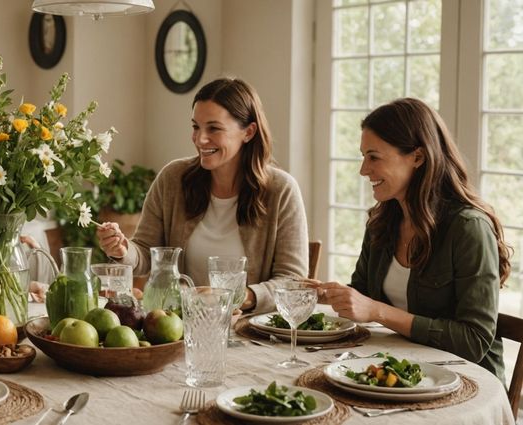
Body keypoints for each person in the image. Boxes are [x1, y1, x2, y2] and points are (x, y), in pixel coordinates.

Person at [314, 98, 511, 379]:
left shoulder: (468, 228)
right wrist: (329, 294)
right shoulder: (382, 222)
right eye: (363, 156)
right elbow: (363, 295)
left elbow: (474, 341)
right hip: (400, 371)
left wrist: (380, 312)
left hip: (468, 383)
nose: (363, 170)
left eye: (374, 157)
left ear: (417, 157)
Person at [96, 77, 308, 313]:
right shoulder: (172, 178)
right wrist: (123, 250)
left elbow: (293, 282)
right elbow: (145, 254)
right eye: (196, 127)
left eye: (214, 128)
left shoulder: (281, 191)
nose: (200, 139)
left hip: (250, 333)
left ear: (248, 132)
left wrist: (239, 297)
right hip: (179, 327)